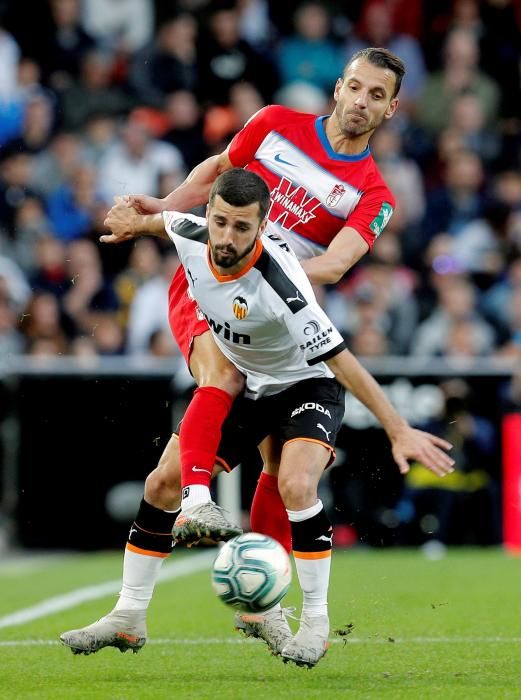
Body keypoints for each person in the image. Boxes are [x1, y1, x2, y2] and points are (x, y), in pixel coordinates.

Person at [59, 47, 413, 658]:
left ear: (390, 108)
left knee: (277, 468)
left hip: (277, 318)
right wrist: (167, 207)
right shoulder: (274, 122)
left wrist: (269, 271)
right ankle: (173, 545)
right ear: (338, 87)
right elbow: (216, 169)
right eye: (355, 87)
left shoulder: (373, 193)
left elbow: (334, 263)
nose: (360, 102)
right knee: (218, 374)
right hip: (212, 285)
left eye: (375, 95)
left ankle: (261, 608)